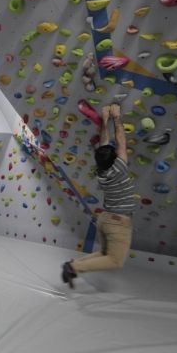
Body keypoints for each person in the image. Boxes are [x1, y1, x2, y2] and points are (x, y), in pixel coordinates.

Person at [62, 103, 136, 288]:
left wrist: (105, 119)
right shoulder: (119, 169)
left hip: (106, 219)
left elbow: (106, 142)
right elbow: (121, 141)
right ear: (115, 158)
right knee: (115, 260)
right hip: (118, 222)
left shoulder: (102, 171)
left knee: (105, 254)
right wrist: (116, 117)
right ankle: (73, 267)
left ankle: (74, 266)